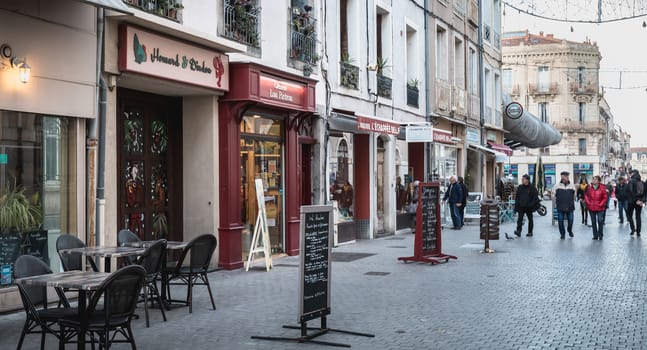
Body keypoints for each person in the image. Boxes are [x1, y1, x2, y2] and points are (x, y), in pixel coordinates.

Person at [552, 171, 577, 239]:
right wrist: (556, 201)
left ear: (568, 177)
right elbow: (553, 195)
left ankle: (569, 230)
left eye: (565, 177)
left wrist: (572, 200)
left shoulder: (572, 186)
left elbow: (575, 195)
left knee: (571, 220)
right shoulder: (557, 186)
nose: (564, 178)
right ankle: (562, 234)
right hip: (560, 206)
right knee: (560, 221)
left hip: (570, 206)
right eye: (563, 177)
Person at [585, 175, 608, 240]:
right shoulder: (589, 187)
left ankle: (600, 235)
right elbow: (586, 195)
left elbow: (605, 197)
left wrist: (601, 204)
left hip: (600, 207)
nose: (593, 180)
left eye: (595, 179)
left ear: (598, 181)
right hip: (591, 207)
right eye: (593, 179)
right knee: (593, 221)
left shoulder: (602, 187)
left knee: (600, 220)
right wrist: (588, 203)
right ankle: (595, 235)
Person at [627, 170, 646, 237]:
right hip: (639, 202)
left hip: (631, 201)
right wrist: (642, 201)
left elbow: (630, 191)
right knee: (638, 216)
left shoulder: (631, 181)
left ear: (633, 174)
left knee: (629, 215)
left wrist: (635, 200)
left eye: (631, 173)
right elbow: (645, 193)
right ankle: (638, 231)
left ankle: (632, 229)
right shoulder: (643, 182)